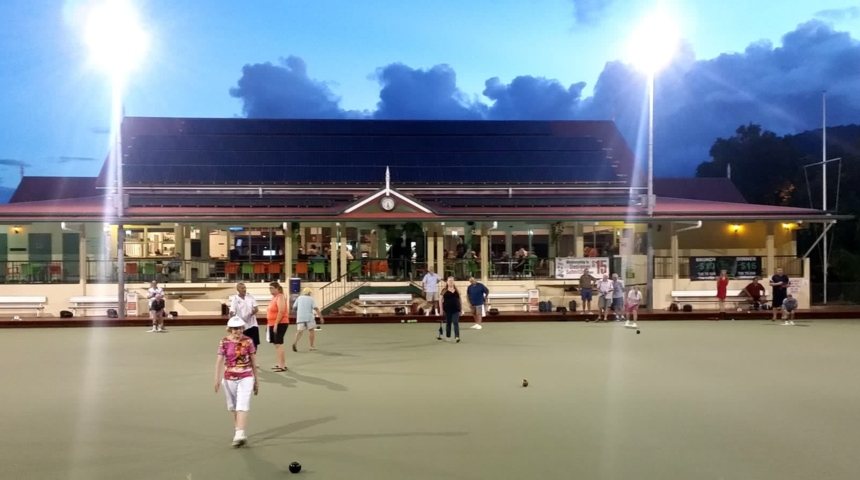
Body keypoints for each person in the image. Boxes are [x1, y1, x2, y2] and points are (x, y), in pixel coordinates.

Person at [214, 316, 258, 447]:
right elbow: (219, 361)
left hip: (246, 376)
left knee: (242, 404)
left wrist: (256, 381)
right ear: (229, 329)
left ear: (243, 328)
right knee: (233, 406)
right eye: (234, 329)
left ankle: (239, 433)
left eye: (239, 328)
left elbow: (254, 362)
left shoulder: (249, 341)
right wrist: (216, 378)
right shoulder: (224, 342)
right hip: (229, 378)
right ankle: (238, 432)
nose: (237, 331)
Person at [266, 281, 289, 372]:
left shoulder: (280, 297)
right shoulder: (274, 298)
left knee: (279, 344)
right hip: (272, 323)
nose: (270, 290)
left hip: (280, 323)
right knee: (276, 344)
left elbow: (281, 311)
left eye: (272, 288)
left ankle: (282, 366)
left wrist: (276, 324)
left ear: (277, 288)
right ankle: (280, 363)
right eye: (269, 288)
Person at [292, 287, 324, 352]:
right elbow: (316, 308)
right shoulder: (311, 299)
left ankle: (295, 343)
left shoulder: (299, 298)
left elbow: (294, 308)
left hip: (300, 317)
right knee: (311, 331)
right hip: (309, 317)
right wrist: (321, 317)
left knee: (299, 331)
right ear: (309, 293)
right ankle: (311, 346)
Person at [229, 282, 260, 349]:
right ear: (238, 289)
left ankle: (253, 358)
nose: (244, 289)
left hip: (253, 324)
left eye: (245, 288)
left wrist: (251, 313)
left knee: (254, 345)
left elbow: (256, 309)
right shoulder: (235, 299)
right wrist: (232, 316)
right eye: (242, 288)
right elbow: (232, 311)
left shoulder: (250, 297)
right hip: (242, 326)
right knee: (243, 345)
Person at [438, 276, 462, 343]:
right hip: (447, 310)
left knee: (455, 322)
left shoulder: (457, 290)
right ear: (447, 282)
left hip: (456, 309)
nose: (451, 282)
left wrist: (461, 309)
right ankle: (448, 336)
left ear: (454, 282)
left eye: (452, 280)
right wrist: (441, 310)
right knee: (448, 323)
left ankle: (457, 337)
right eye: (449, 280)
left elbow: (460, 300)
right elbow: (440, 300)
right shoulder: (444, 290)